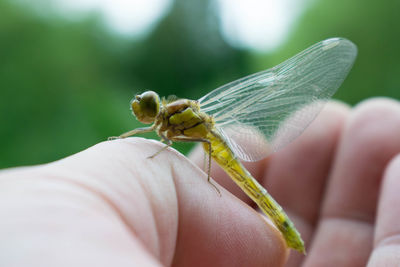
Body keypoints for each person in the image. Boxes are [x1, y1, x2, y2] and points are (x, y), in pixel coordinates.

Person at [1, 98, 400, 267]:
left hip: (219, 150)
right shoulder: (166, 123)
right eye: (145, 107)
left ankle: (286, 232)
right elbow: (159, 138)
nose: (145, 110)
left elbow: (163, 143)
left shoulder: (177, 122)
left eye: (150, 106)